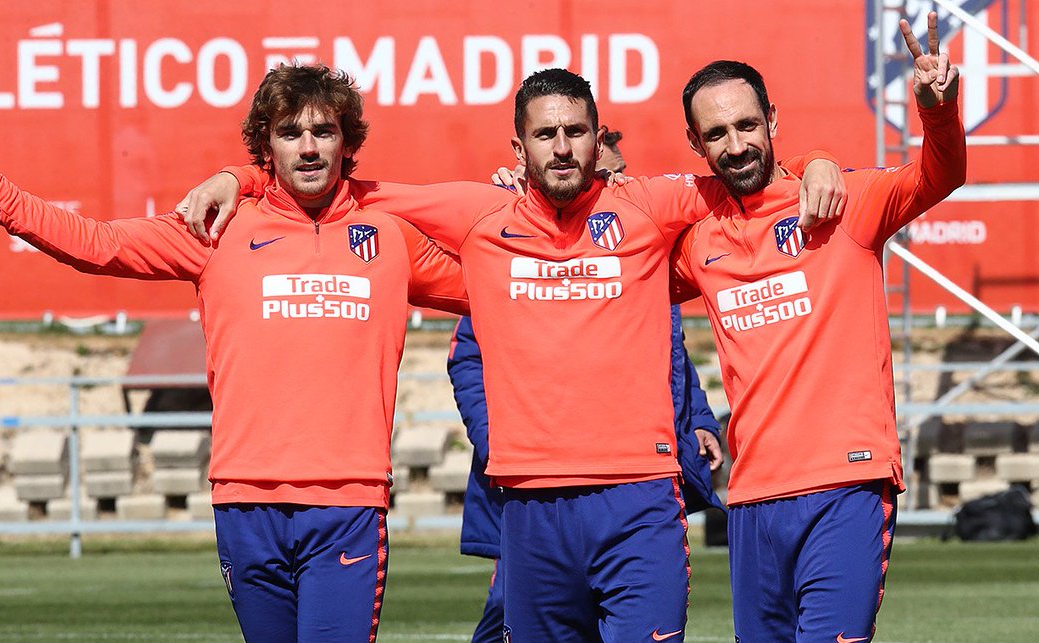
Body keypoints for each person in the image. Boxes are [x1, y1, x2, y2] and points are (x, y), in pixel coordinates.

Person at [175, 69, 844, 641]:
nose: (564, 148)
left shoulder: (650, 213)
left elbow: (747, 181)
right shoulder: (488, 228)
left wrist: (817, 159)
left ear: (599, 141)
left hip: (637, 495)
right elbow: (336, 187)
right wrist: (248, 178)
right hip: (530, 500)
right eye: (546, 136)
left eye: (578, 133)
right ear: (520, 148)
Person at [0, 64, 469, 643]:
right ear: (266, 145)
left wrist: (540, 210)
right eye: (290, 133)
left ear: (347, 141)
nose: (308, 148)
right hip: (242, 503)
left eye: (323, 132)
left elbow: (499, 291)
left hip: (347, 504)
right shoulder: (218, 227)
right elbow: (98, 244)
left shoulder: (389, 237)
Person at [669, 15, 965, 641]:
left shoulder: (842, 203)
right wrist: (525, 193)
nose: (736, 144)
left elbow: (939, 177)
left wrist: (938, 112)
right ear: (697, 146)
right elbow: (605, 266)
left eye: (747, 125)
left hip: (846, 486)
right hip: (751, 499)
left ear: (772, 121)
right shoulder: (697, 242)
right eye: (716, 133)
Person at [449, 304, 723, 643]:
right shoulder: (506, 256)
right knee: (502, 618)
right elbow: (468, 355)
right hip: (538, 493)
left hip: (634, 489)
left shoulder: (643, 252)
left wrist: (696, 418)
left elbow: (667, 346)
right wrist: (501, 440)